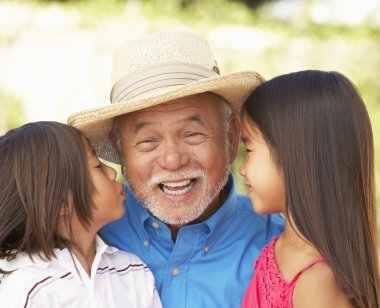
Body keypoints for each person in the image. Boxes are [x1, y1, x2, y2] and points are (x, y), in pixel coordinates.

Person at [68, 31, 284, 307]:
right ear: (120, 151)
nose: (172, 160)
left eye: (192, 134)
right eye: (148, 141)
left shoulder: (282, 246)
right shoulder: (84, 231)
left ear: (230, 139)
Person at [239, 70, 380, 307]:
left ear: (297, 158)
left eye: (249, 150)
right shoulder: (281, 245)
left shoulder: (319, 282)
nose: (242, 169)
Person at [0, 121, 162, 308]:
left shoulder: (133, 271)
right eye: (97, 166)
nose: (111, 172)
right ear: (61, 203)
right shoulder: (29, 289)